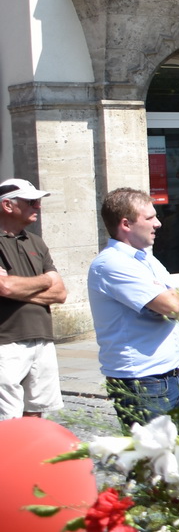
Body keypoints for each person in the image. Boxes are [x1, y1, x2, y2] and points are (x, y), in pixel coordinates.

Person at [88, 188, 179, 427]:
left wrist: (175, 302)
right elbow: (175, 307)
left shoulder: (146, 258)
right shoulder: (112, 263)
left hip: (168, 377)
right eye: (149, 218)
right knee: (156, 461)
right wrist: (173, 302)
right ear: (126, 224)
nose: (158, 223)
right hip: (142, 383)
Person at [0, 179, 67, 420]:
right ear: (8, 205)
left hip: (42, 337)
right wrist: (45, 280)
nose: (37, 206)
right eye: (31, 201)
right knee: (8, 418)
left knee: (37, 413)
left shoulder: (36, 242)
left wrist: (20, 287)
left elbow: (60, 293)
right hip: (6, 341)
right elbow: (5, 286)